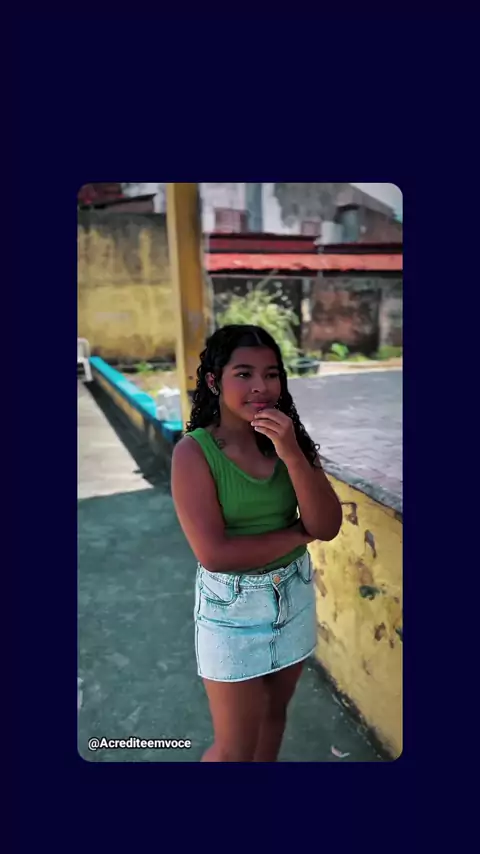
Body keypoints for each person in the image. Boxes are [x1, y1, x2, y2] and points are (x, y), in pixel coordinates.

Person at [171, 325, 342, 762]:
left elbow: (326, 525)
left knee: (273, 717)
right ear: (215, 381)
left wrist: (291, 453)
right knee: (234, 751)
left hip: (294, 595)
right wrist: (298, 534)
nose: (260, 387)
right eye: (244, 374)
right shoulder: (194, 453)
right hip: (232, 609)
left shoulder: (289, 440)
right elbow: (215, 555)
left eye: (271, 374)